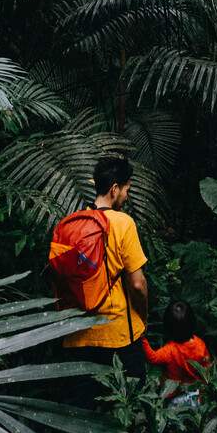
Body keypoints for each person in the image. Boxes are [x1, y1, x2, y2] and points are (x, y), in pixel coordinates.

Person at [57, 154, 150, 377]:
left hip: (77, 334)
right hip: (118, 334)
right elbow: (138, 284)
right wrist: (144, 317)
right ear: (115, 189)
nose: (126, 197)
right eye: (127, 190)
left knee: (86, 408)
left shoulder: (69, 225)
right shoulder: (123, 222)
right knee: (130, 402)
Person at [141, 300, 211, 406]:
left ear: (168, 327)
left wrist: (142, 338)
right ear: (192, 322)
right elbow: (207, 366)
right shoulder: (200, 344)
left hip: (174, 395)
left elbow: (153, 357)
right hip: (195, 392)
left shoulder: (170, 350)